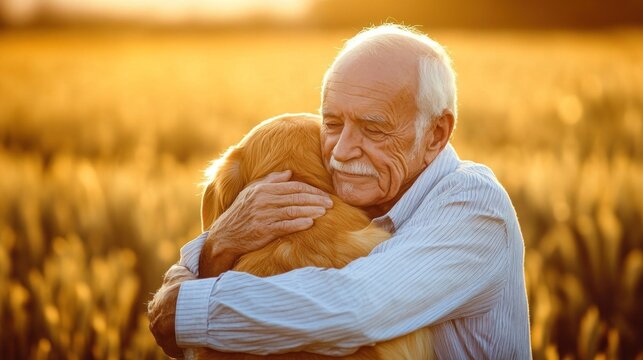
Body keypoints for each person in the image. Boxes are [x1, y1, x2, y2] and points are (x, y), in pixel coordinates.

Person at [148, 24, 532, 359]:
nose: (341, 151)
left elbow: (358, 308)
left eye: (374, 128)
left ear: (435, 134)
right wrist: (220, 244)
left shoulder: (475, 206)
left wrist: (182, 310)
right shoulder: (352, 193)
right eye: (331, 123)